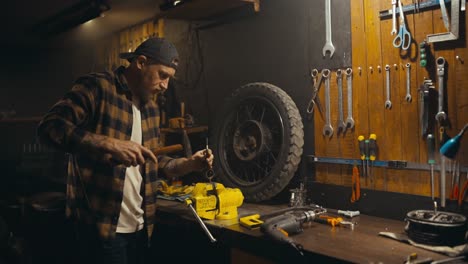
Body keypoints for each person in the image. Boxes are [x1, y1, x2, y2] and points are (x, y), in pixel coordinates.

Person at [37, 37, 213, 264]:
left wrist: (191, 164)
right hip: (101, 229)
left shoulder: (151, 109)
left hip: (142, 228)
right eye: (163, 75)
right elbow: (50, 128)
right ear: (140, 63)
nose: (165, 85)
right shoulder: (98, 87)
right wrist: (108, 144)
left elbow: (153, 161)